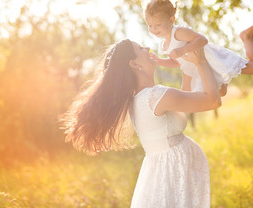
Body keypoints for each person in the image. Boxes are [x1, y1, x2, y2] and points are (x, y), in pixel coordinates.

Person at [61, 38, 222, 207]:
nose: (148, 48)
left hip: (163, 175)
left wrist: (187, 67)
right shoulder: (156, 96)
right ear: (134, 64)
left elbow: (185, 100)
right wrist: (201, 61)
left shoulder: (138, 100)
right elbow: (213, 101)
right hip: (171, 175)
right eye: (141, 48)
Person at [142, 0, 253, 95]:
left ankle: (246, 37)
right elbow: (176, 62)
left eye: (158, 25)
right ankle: (223, 80)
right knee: (218, 93)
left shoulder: (178, 32)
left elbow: (202, 40)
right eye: (150, 25)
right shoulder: (164, 45)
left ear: (171, 20)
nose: (154, 29)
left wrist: (183, 50)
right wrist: (159, 61)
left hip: (209, 59)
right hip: (194, 68)